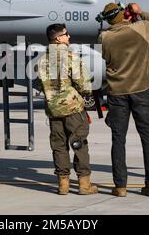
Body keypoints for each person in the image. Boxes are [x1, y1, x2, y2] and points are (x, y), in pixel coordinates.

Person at [98, 2, 149, 197]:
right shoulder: (140, 29)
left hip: (117, 92)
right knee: (147, 137)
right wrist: (140, 12)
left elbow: (105, 55)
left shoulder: (105, 37)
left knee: (118, 139)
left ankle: (120, 186)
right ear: (124, 15)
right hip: (141, 89)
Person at [37, 24, 98, 195]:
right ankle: (84, 184)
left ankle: (63, 184)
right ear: (58, 38)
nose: (69, 37)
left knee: (59, 146)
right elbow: (84, 84)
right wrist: (85, 94)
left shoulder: (42, 60)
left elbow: (41, 84)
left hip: (53, 110)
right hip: (72, 109)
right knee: (79, 144)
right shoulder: (70, 56)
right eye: (66, 34)